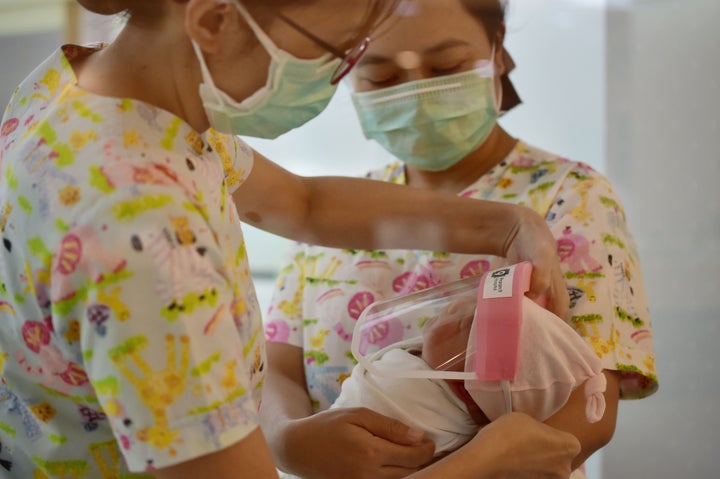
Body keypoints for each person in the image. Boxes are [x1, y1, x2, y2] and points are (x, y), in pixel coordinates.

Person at [0, 0, 581, 478]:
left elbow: (302, 204)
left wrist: (505, 224)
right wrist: (483, 464)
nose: (334, 78)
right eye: (338, 54)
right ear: (214, 20)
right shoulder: (147, 245)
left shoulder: (97, 91)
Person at [261, 0, 659, 478]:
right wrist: (285, 439)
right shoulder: (335, 213)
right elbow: (278, 366)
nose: (417, 93)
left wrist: (475, 467)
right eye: (382, 78)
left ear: (498, 52)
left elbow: (590, 406)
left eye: (446, 67)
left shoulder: (567, 197)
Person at [333, 281, 607, 458]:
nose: (453, 307)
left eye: (464, 323)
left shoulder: (430, 411)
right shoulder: (420, 360)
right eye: (463, 305)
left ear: (464, 386)